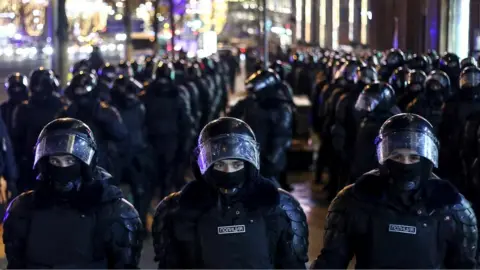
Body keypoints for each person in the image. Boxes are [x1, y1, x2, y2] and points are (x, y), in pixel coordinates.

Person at [311, 113, 478, 269]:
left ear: (427, 159)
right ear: (384, 158)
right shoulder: (353, 201)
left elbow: (466, 266)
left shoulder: (452, 207)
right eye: (397, 156)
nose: (405, 163)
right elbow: (331, 262)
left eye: (414, 157)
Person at [152, 117, 309, 269]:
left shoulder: (278, 205)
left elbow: (292, 264)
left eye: (236, 164)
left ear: (249, 164)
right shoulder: (178, 209)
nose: (228, 172)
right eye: (220, 164)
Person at [3, 118, 143, 268]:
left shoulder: (115, 212)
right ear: (45, 165)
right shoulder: (22, 210)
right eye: (55, 161)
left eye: (70, 161)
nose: (62, 168)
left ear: (85, 164)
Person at [229, 69, 293, 189]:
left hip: (268, 159)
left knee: (269, 190)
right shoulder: (252, 102)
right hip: (249, 154)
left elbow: (282, 137)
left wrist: (271, 160)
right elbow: (232, 117)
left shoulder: (281, 107)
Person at [12, 68, 64, 192]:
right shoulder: (25, 108)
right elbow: (17, 137)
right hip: (36, 159)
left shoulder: (59, 106)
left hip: (51, 158)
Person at [350, 82, 401, 182]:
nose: (367, 104)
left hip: (376, 174)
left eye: (371, 101)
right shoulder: (368, 119)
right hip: (361, 168)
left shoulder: (391, 124)